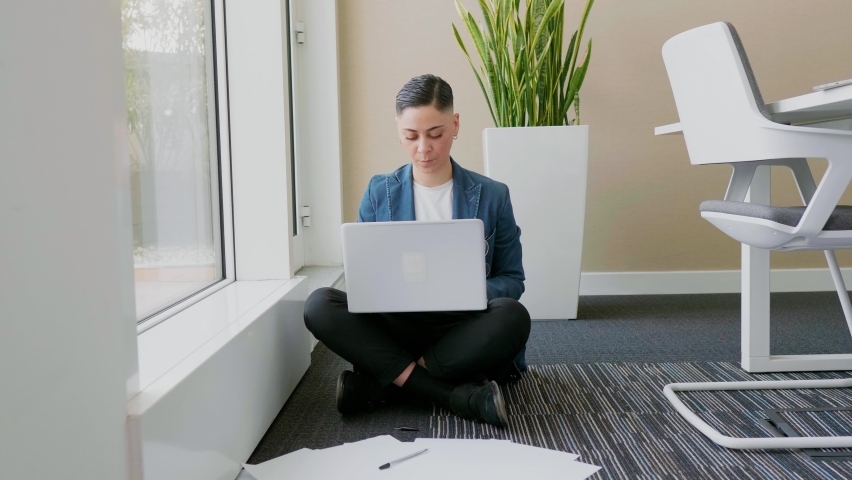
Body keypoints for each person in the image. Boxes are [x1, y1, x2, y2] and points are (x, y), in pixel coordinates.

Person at [303, 74, 530, 428]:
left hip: (460, 329)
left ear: (455, 125)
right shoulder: (379, 192)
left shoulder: (493, 195)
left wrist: (467, 292)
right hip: (398, 326)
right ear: (399, 130)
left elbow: (512, 279)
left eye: (436, 134)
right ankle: (455, 395)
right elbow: (366, 278)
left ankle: (386, 384)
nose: (423, 148)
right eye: (411, 136)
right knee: (319, 304)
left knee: (513, 316)